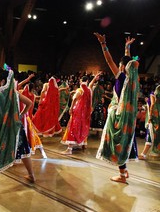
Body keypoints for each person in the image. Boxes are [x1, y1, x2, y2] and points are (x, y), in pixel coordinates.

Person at [94, 32, 139, 184]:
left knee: (116, 142)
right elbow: (127, 62)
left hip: (117, 116)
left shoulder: (120, 77)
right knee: (124, 141)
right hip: (128, 119)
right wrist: (127, 48)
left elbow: (109, 60)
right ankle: (124, 171)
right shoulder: (133, 79)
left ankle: (121, 175)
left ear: (121, 66)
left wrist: (103, 44)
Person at [60, 73, 101, 155]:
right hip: (85, 113)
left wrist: (71, 108)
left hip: (78, 111)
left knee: (73, 127)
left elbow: (75, 99)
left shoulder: (80, 90)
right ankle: (82, 144)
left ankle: (69, 148)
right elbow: (91, 85)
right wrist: (95, 79)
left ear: (81, 81)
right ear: (87, 81)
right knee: (82, 127)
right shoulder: (89, 90)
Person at [139, 85, 160, 159]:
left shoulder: (152, 94)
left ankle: (143, 154)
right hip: (158, 116)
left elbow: (153, 104)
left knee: (150, 134)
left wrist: (150, 117)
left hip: (154, 118)